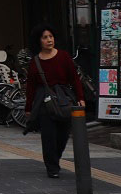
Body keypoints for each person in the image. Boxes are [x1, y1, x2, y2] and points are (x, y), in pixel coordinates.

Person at [23, 24, 85, 178]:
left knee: (63, 135)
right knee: (48, 136)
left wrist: (81, 98)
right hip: (44, 102)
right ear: (39, 41)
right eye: (45, 37)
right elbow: (30, 87)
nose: (49, 40)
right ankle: (52, 167)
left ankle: (54, 158)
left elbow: (75, 79)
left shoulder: (64, 57)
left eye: (51, 37)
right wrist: (28, 108)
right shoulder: (35, 62)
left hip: (64, 99)